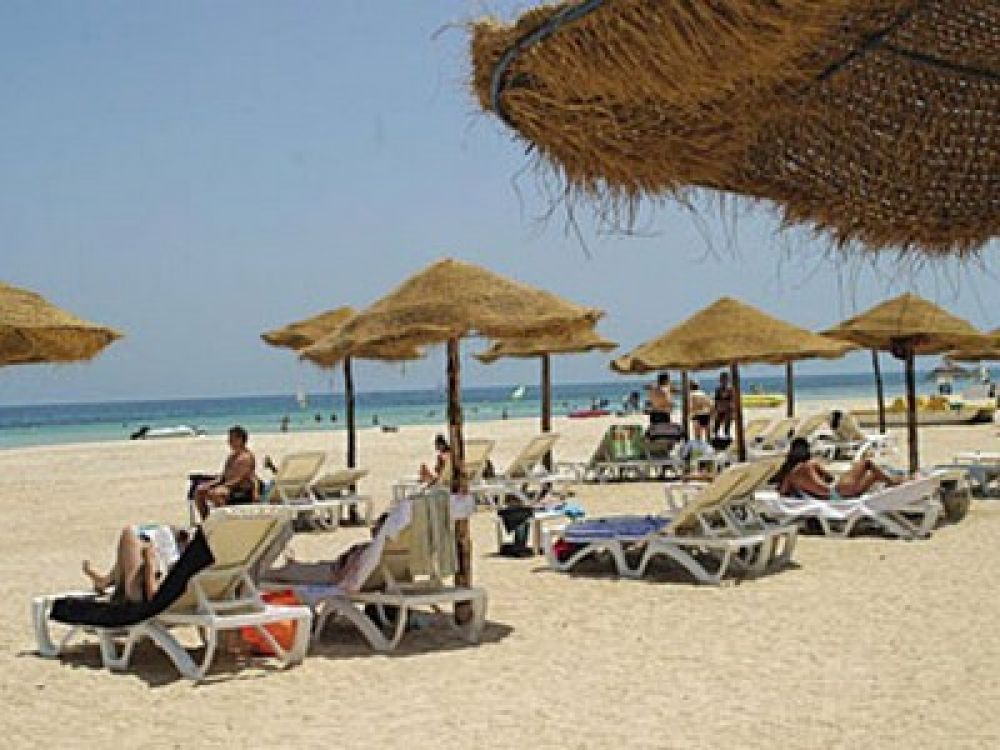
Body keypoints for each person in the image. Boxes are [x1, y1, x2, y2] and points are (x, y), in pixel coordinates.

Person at [83, 525, 190, 604]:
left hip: (140, 591)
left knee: (132, 532)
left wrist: (149, 562)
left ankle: (106, 582)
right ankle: (106, 581)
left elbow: (153, 598)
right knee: (138, 538)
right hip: (145, 588)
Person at [774, 438, 904, 500]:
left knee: (874, 476)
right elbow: (830, 478)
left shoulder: (790, 474)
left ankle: (896, 482)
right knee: (866, 463)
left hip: (835, 496)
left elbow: (783, 493)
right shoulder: (810, 464)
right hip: (837, 491)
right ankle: (896, 483)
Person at [193, 425, 258, 519]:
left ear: (240, 439)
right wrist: (210, 484)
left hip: (241, 490)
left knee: (216, 493)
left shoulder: (247, 457)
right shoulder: (231, 457)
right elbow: (223, 476)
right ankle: (206, 520)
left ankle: (225, 520)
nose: (229, 441)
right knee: (200, 490)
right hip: (228, 487)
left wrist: (223, 486)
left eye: (231, 439)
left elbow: (240, 479)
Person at [713, 371, 734, 438]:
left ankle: (725, 434)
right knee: (718, 422)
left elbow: (732, 399)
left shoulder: (730, 389)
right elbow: (716, 400)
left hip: (727, 408)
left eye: (725, 379)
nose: (724, 381)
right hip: (721, 408)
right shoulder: (718, 389)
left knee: (727, 423)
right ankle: (717, 434)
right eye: (722, 379)